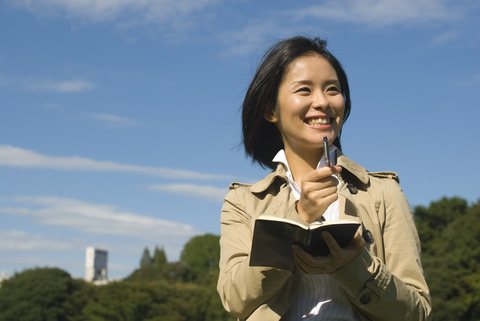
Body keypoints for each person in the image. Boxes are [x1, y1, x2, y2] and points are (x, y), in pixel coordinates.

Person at [217, 36, 432, 321]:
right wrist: (296, 220)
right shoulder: (243, 203)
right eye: (304, 90)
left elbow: (417, 313)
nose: (322, 102)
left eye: (333, 90)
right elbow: (234, 300)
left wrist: (354, 267)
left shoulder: (383, 194)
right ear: (270, 110)